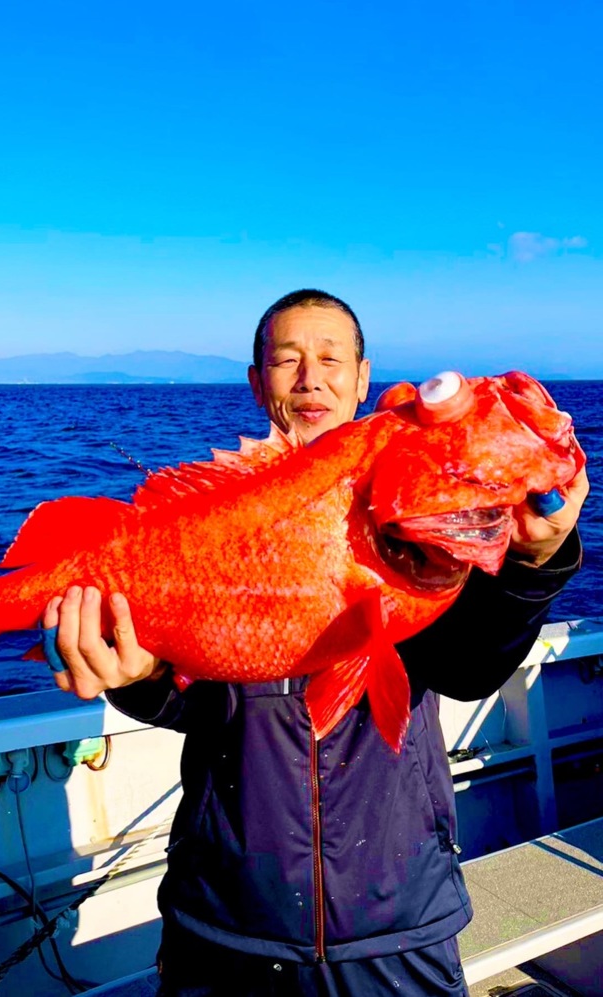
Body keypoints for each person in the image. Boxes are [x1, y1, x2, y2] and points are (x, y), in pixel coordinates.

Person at [42, 290, 588, 996]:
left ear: (363, 379)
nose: (311, 377)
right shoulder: (209, 521)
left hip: (398, 921)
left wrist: (530, 563)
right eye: (286, 359)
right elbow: (195, 705)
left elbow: (466, 668)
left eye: (332, 359)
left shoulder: (407, 501)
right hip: (224, 922)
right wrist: (138, 675)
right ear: (255, 381)